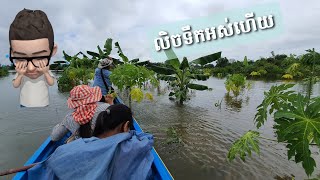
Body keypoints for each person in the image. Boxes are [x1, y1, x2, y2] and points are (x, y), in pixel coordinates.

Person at [27, 104, 154, 180]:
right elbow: (147, 138)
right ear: (126, 126)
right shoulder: (134, 147)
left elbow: (54, 141)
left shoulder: (69, 149)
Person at [9, 9, 57, 107]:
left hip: (44, 105)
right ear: (12, 54)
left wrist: (45, 72)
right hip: (24, 104)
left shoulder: (45, 70)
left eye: (40, 58)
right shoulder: (20, 72)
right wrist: (20, 75)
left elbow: (51, 83)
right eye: (21, 58)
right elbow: (15, 85)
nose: (30, 68)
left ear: (53, 51)